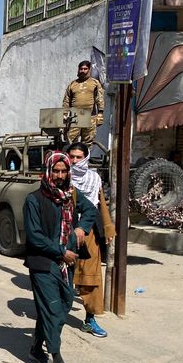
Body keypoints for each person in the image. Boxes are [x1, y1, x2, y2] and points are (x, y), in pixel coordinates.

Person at [23, 151, 96, 363]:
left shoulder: (71, 195)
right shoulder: (33, 200)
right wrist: (61, 252)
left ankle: (36, 348)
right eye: (56, 171)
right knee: (53, 309)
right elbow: (34, 236)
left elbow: (91, 210)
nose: (60, 176)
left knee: (62, 306)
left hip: (67, 264)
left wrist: (81, 228)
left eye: (64, 171)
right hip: (43, 264)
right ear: (48, 171)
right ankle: (58, 360)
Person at [68, 142, 115, 338]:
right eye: (72, 157)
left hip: (89, 233)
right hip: (66, 231)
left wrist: (108, 228)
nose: (75, 161)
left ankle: (89, 319)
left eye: (79, 157)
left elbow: (101, 204)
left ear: (86, 158)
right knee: (64, 274)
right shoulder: (62, 175)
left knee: (91, 276)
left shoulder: (94, 179)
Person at [63, 60, 104, 146]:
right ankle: (73, 158)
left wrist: (100, 114)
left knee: (88, 142)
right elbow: (66, 100)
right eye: (81, 69)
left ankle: (85, 159)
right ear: (78, 70)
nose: (83, 71)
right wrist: (64, 114)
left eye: (85, 69)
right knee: (71, 141)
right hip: (74, 117)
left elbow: (99, 98)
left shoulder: (94, 83)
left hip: (90, 116)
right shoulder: (72, 84)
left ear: (89, 70)